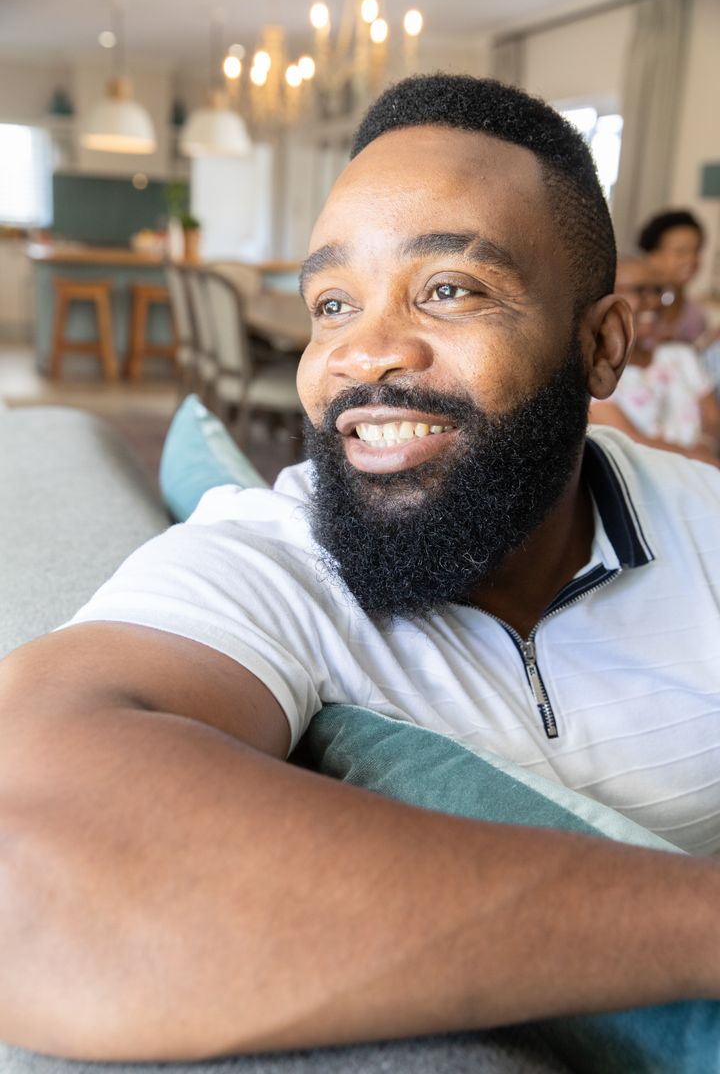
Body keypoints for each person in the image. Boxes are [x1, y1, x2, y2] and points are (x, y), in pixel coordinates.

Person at [1, 74, 720, 1062]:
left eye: (449, 289)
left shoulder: (703, 525)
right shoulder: (278, 556)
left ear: (601, 347)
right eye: (332, 302)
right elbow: (25, 860)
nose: (362, 352)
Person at [590, 255, 720, 464]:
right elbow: (629, 441)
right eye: (640, 290)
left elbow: (713, 419)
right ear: (609, 298)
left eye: (659, 291)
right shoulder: (596, 370)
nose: (654, 302)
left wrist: (705, 445)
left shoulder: (681, 355)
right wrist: (697, 459)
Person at [637, 209, 709, 345]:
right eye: (681, 252)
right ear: (653, 256)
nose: (692, 259)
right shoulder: (633, 303)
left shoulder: (695, 316)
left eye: (696, 250)